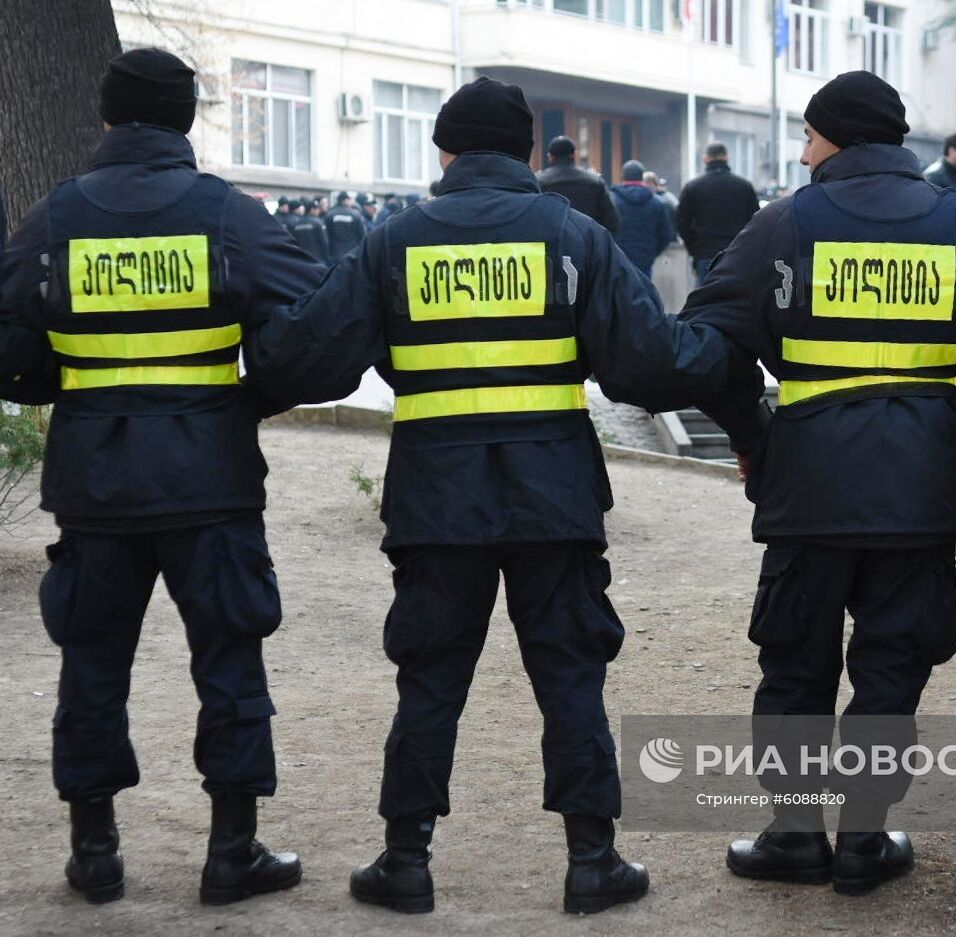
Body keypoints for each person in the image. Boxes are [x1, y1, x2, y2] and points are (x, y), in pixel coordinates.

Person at [243, 76, 748, 917]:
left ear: (443, 152)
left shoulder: (393, 240)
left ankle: (405, 859)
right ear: (526, 153)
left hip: (435, 498)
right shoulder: (573, 234)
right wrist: (726, 347)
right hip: (554, 495)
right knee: (570, 674)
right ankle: (592, 860)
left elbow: (306, 358)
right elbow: (649, 364)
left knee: (429, 678)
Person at [676, 71, 956, 897]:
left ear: (832, 136)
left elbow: (707, 345)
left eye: (808, 138)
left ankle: (795, 835)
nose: (805, 154)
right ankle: (864, 841)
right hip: (920, 493)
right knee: (892, 669)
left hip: (807, 488)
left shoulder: (782, 223)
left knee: (795, 666)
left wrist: (752, 433)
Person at [0, 47, 324, 906]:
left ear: (108, 116)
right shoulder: (229, 214)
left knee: (91, 664)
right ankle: (232, 852)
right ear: (185, 119)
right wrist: (251, 398)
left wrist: (61, 383)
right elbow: (317, 324)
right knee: (229, 659)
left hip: (94, 486)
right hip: (209, 481)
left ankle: (95, 854)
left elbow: (7, 338)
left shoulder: (55, 216)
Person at [676, 141, 760, 285]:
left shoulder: (693, 187)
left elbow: (682, 223)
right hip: (737, 254)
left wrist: (695, 249)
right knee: (737, 297)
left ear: (706, 159)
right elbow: (756, 221)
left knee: (706, 296)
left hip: (706, 254)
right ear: (726, 158)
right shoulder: (744, 186)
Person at [535, 135, 620, 235]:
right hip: (586, 241)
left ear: (550, 157)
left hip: (551, 241)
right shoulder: (595, 182)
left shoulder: (538, 182)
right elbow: (611, 221)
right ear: (574, 154)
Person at [610, 160, 674, 278]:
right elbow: (666, 234)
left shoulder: (611, 201)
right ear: (642, 177)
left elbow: (604, 229)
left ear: (622, 176)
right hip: (645, 260)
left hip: (618, 259)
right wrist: (652, 253)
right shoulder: (657, 203)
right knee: (644, 288)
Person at [326, 190, 368, 261]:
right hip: (351, 253)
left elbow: (326, 235)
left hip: (334, 253)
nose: (352, 201)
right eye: (350, 199)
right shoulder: (356, 215)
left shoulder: (330, 214)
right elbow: (363, 235)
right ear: (345, 200)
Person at [290, 195, 330, 262]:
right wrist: (327, 258)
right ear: (311, 210)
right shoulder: (318, 223)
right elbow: (324, 242)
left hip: (301, 258)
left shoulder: (295, 224)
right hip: (316, 259)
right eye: (316, 209)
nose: (318, 211)